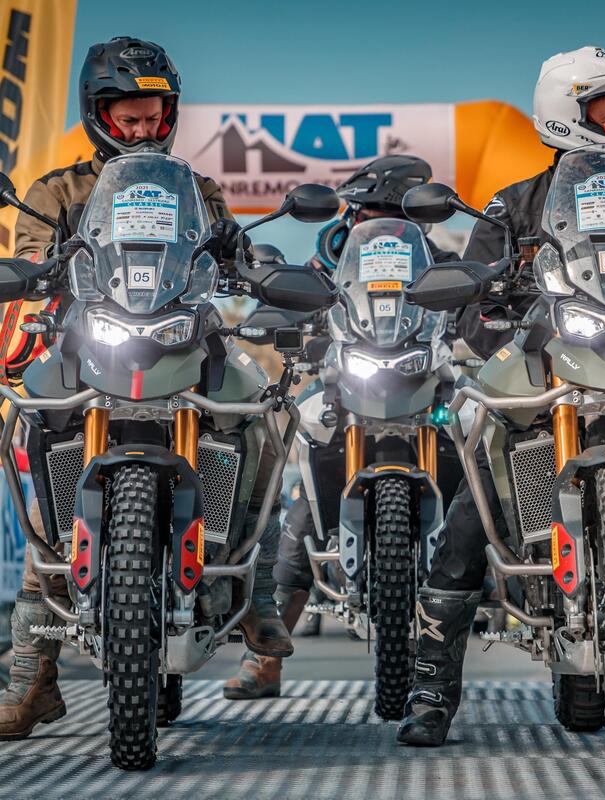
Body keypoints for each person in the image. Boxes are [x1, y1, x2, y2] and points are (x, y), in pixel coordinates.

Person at [397, 45, 605, 747]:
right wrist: (500, 324)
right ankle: (431, 687)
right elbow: (471, 304)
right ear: (569, 117)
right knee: (474, 498)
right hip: (550, 369)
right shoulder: (515, 204)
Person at [0, 36, 290, 741]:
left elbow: (230, 255)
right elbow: (31, 257)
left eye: (153, 118)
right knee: (39, 468)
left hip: (185, 340)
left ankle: (258, 596)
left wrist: (247, 259)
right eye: (127, 119)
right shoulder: (58, 191)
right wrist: (37, 270)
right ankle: (31, 679)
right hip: (90, 345)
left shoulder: (197, 190)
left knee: (260, 413)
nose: (141, 131)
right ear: (98, 115)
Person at [222, 154, 460, 700]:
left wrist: (483, 314)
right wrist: (276, 316)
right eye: (368, 211)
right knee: (304, 503)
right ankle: (265, 658)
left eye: (390, 213)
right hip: (346, 389)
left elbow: (474, 307)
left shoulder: (438, 261)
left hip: (426, 388)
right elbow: (296, 298)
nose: (373, 220)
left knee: (479, 477)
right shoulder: (329, 258)